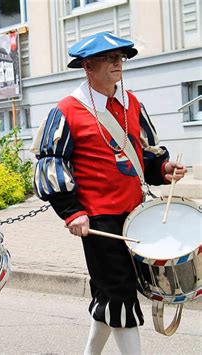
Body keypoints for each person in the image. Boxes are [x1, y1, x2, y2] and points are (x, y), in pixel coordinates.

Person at [31, 32, 187, 355]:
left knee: (110, 294)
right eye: (109, 57)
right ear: (88, 66)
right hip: (99, 222)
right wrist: (71, 210)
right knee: (120, 293)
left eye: (120, 57)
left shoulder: (131, 103)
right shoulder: (68, 110)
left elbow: (143, 155)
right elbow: (51, 165)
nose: (118, 62)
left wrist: (163, 169)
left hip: (134, 217)